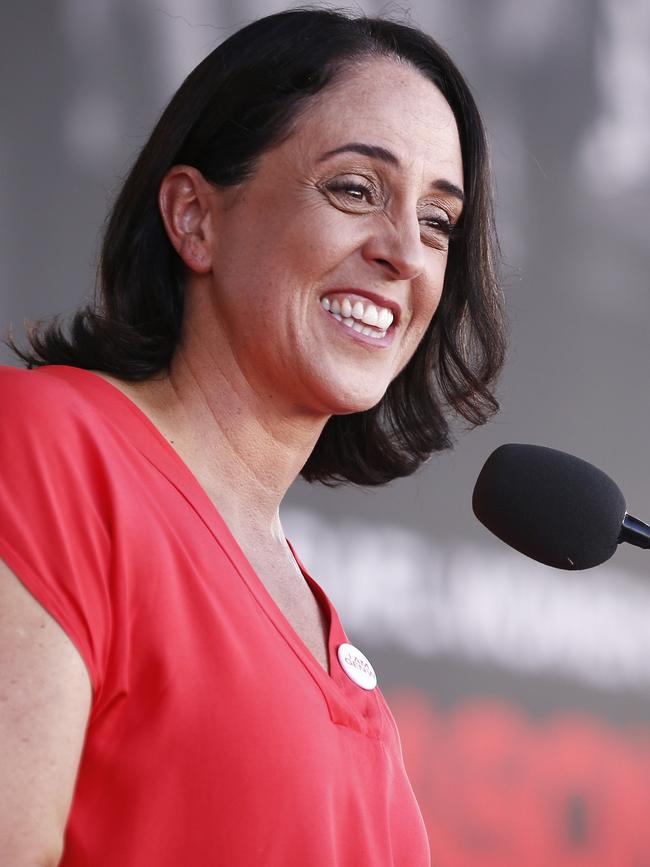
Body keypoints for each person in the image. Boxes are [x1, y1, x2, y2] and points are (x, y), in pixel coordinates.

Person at [0, 8, 505, 866]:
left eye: (437, 221)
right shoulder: (47, 446)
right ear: (195, 217)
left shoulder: (321, 622)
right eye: (355, 188)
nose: (405, 254)